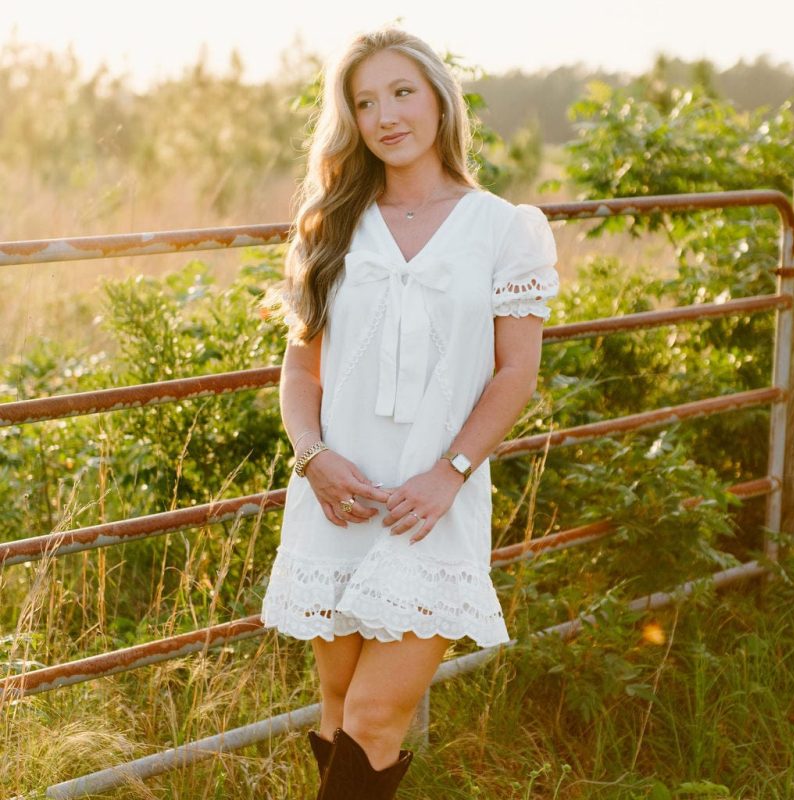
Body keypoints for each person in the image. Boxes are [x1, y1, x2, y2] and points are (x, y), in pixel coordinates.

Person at [260, 26, 559, 800]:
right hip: (336, 495)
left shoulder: (503, 228)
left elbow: (514, 372)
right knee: (336, 708)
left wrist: (448, 473)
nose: (386, 115)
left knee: (372, 715)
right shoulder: (331, 223)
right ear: (349, 120)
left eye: (401, 93)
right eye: (364, 102)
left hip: (430, 506)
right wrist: (312, 457)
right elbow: (301, 365)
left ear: (437, 101)